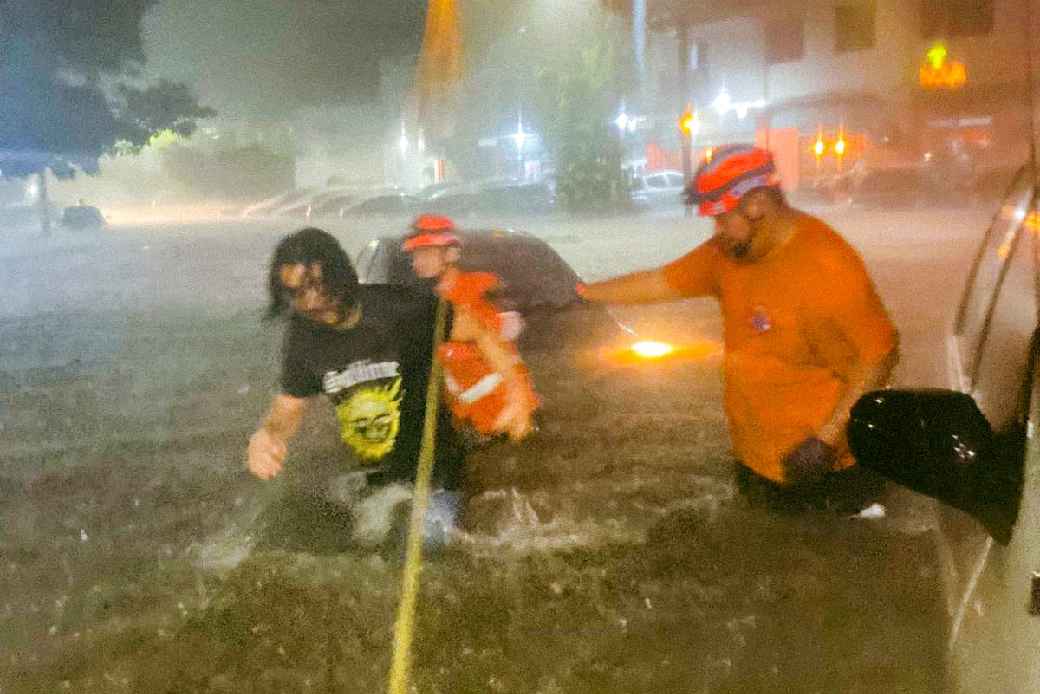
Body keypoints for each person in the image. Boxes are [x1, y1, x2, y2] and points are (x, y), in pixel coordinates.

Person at [579, 145, 899, 511]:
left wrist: (826, 441)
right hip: (757, 463)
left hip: (832, 473)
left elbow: (879, 357)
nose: (716, 230)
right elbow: (658, 283)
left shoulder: (828, 267)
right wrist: (582, 294)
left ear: (757, 204)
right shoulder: (729, 255)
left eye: (720, 217)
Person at [246, 227, 464, 545]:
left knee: (425, 549)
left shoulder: (403, 311)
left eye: (318, 286)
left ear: (341, 274)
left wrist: (513, 394)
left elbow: (478, 330)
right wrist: (267, 435)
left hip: (435, 470)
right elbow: (289, 406)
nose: (311, 301)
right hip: (374, 477)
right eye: (297, 293)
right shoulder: (303, 339)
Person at [402, 214, 539, 442]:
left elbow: (505, 351)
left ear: (452, 254)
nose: (417, 262)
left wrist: (519, 402)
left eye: (426, 253)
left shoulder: (480, 292)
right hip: (472, 425)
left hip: (508, 416)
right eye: (415, 255)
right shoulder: (431, 304)